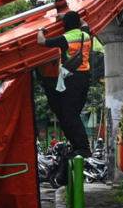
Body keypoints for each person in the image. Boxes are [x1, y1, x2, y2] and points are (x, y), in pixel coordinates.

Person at [36, 10, 93, 159]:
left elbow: (41, 41)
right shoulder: (85, 35)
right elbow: (84, 23)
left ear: (66, 25)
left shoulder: (65, 38)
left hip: (71, 79)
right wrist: (67, 17)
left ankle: (82, 147)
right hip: (85, 78)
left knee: (69, 114)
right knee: (71, 114)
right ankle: (77, 146)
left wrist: (40, 30)